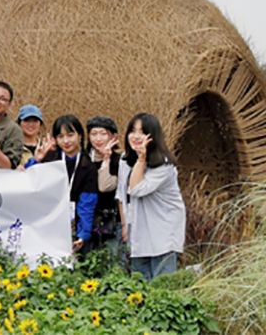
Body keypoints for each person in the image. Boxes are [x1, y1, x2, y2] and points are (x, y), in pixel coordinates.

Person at [116, 113, 186, 281]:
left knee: (162, 285)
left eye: (142, 132)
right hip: (138, 227)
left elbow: (137, 189)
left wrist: (141, 159)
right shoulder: (125, 160)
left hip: (162, 228)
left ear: (153, 136)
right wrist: (125, 225)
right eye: (133, 131)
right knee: (139, 282)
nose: (136, 136)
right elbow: (121, 194)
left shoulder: (164, 165)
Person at [26, 114, 98, 254]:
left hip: (73, 225)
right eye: (60, 136)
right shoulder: (50, 160)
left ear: (80, 136)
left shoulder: (88, 167)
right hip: (46, 225)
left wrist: (83, 234)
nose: (66, 141)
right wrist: (36, 160)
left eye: (70, 135)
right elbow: (29, 185)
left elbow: (86, 204)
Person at [85, 116, 123, 257]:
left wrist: (106, 160)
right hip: (86, 219)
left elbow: (104, 186)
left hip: (112, 220)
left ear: (113, 137)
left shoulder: (120, 161)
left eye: (103, 134)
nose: (98, 139)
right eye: (94, 134)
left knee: (113, 263)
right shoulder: (83, 159)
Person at [16, 105, 44, 170]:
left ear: (40, 124)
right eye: (26, 120)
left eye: (35, 121)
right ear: (19, 123)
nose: (31, 124)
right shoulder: (13, 148)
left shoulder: (45, 148)